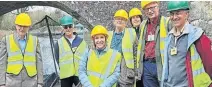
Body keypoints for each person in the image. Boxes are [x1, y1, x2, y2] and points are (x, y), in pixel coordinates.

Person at [161, 1, 212, 87]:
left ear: (187, 14)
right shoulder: (169, 38)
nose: (174, 17)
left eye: (178, 13)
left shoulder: (197, 36)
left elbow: (209, 64)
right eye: (172, 14)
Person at [0, 13, 43, 87]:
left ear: (29, 27)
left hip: (31, 82)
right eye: (20, 25)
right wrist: (2, 83)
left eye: (25, 26)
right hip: (12, 82)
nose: (22, 29)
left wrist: (40, 83)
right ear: (16, 25)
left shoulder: (35, 40)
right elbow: (2, 63)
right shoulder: (6, 40)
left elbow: (39, 62)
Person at [137, 1, 170, 87]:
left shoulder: (167, 22)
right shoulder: (143, 25)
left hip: (162, 64)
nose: (150, 11)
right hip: (147, 65)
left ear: (158, 7)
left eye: (153, 8)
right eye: (147, 9)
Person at [55, 16, 88, 87]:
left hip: (79, 74)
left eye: (70, 26)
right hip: (65, 74)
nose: (68, 29)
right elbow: (57, 59)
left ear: (73, 26)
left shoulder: (82, 42)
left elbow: (87, 58)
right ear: (62, 28)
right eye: (65, 27)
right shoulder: (58, 43)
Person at [107, 9, 137, 87]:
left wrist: (135, 73)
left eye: (122, 19)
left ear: (126, 22)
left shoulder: (131, 33)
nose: (119, 20)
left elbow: (136, 54)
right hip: (111, 72)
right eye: (117, 18)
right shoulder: (108, 35)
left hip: (126, 73)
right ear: (114, 21)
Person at [129, 7, 143, 87]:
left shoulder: (145, 30)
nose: (135, 19)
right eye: (133, 18)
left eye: (137, 17)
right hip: (133, 67)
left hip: (144, 65)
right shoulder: (129, 33)